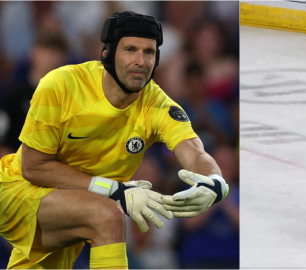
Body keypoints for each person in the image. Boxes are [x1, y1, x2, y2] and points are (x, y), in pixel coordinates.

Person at [0, 11, 229, 269]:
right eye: (130, 49)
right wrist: (114, 190)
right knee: (108, 216)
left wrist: (213, 183)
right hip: (17, 192)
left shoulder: (158, 106)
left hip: (73, 204)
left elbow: (195, 152)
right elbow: (33, 167)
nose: (140, 61)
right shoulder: (61, 85)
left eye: (149, 52)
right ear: (107, 53)